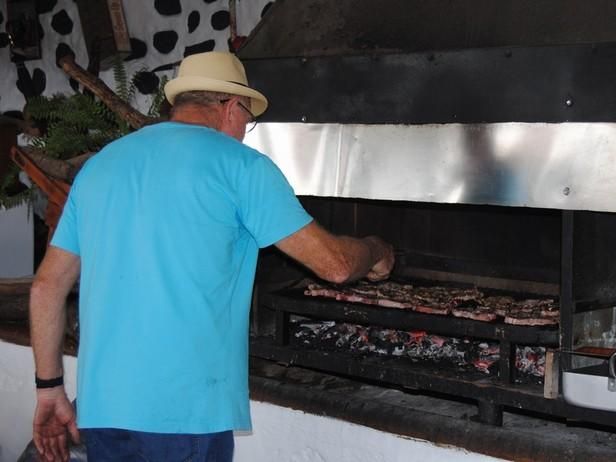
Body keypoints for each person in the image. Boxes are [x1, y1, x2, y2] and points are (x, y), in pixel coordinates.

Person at [30, 51, 395, 462]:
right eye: (247, 119)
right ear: (230, 107)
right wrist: (376, 250)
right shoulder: (241, 167)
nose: (244, 131)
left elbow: (46, 287)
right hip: (187, 414)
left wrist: (48, 388)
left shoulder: (100, 167)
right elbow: (336, 265)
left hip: (103, 409)